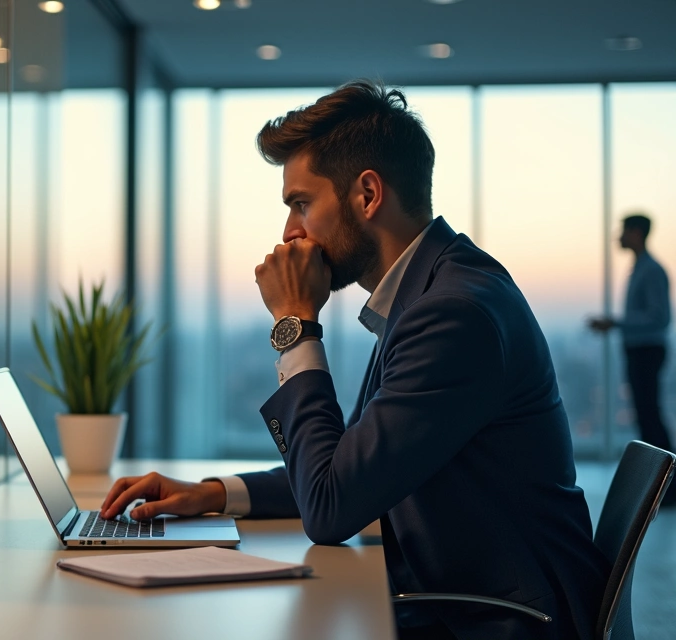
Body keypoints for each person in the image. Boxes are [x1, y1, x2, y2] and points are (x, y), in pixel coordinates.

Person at [100, 81, 608, 640]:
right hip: (460, 600)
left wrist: (294, 323)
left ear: (367, 195)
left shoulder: (452, 314)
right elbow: (348, 466)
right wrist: (215, 493)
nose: (289, 232)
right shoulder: (430, 291)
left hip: (500, 621)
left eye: (300, 204)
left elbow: (331, 507)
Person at [589, 214, 674, 466]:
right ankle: (661, 479)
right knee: (646, 414)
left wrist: (616, 323)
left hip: (646, 351)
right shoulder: (641, 269)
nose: (619, 236)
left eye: (624, 230)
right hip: (640, 350)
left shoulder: (651, 270)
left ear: (637, 233)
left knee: (649, 414)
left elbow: (660, 317)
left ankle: (666, 479)